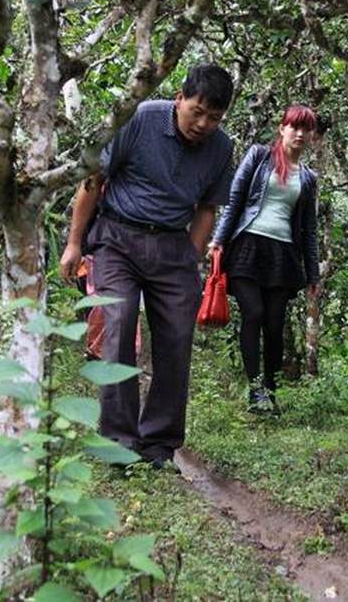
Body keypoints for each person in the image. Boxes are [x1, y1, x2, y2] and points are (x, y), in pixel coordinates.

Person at [60, 64, 235, 471]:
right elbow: (93, 181)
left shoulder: (221, 148)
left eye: (214, 117)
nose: (203, 123)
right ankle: (119, 442)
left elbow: (207, 208)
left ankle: (159, 446)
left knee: (175, 340)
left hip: (173, 245)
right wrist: (73, 244)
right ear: (180, 98)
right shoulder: (140, 119)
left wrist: (189, 261)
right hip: (117, 238)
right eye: (197, 111)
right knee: (118, 325)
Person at [211, 105, 321, 413]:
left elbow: (309, 229)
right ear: (282, 128)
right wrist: (218, 241)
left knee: (274, 325)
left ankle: (270, 391)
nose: (299, 133)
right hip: (247, 246)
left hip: (282, 254)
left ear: (311, 135)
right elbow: (235, 201)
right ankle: (256, 390)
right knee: (254, 313)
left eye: (305, 128)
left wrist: (313, 274)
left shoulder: (309, 178)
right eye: (294, 126)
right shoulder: (259, 156)